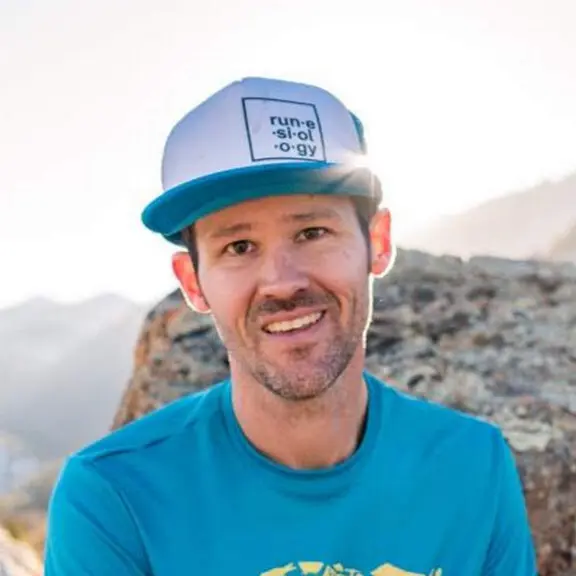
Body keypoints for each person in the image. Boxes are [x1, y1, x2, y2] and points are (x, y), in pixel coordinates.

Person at [44, 77, 537, 575]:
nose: (280, 282)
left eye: (312, 232)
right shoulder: (114, 499)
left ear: (378, 242)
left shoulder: (472, 467)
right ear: (192, 282)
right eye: (238, 247)